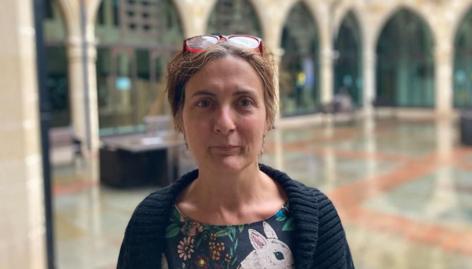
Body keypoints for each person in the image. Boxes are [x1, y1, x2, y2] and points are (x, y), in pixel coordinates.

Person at [117, 34, 354, 269]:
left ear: (269, 116)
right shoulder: (148, 224)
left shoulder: (319, 219)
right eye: (205, 103)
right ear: (180, 119)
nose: (225, 124)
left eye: (244, 102)